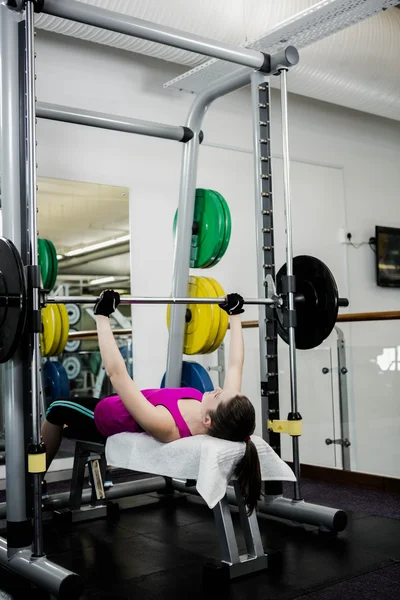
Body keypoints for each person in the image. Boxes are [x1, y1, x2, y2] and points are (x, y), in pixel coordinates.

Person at [42, 290, 262, 513]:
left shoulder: (166, 425)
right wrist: (235, 315)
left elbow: (117, 374)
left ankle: (35, 480)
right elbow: (235, 364)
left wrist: (102, 316)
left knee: (56, 408)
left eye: (218, 394)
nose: (217, 388)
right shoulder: (223, 413)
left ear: (207, 420)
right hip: (116, 402)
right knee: (66, 416)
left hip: (103, 416)